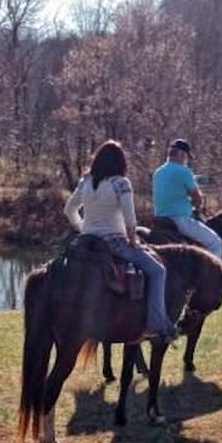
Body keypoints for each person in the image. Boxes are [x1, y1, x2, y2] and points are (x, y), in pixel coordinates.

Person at [65, 140, 177, 341]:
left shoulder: (86, 181)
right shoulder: (121, 183)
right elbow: (129, 219)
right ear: (120, 163)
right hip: (114, 242)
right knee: (158, 271)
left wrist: (83, 229)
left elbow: (69, 210)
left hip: (86, 241)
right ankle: (156, 324)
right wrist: (133, 239)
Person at [151, 138, 222, 259]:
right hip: (180, 220)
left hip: (160, 219)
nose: (186, 160)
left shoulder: (158, 172)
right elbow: (197, 197)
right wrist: (197, 206)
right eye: (186, 157)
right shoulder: (184, 171)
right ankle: (210, 277)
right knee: (215, 243)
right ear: (181, 154)